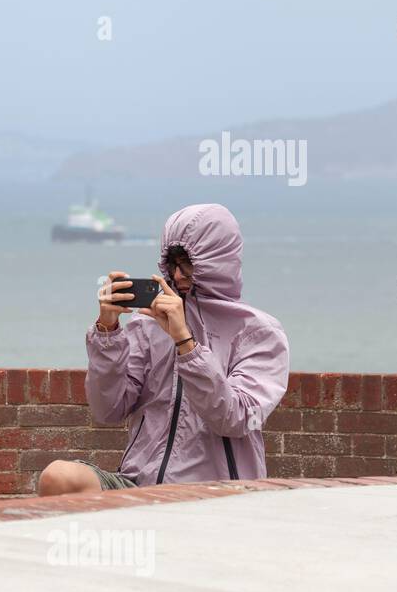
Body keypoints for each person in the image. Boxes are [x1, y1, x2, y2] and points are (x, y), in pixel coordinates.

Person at [39, 203, 290, 494]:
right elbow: (107, 410)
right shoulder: (147, 325)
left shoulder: (259, 332)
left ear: (219, 261)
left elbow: (235, 418)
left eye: (189, 264)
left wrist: (185, 342)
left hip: (218, 493)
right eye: (172, 264)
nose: (179, 275)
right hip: (140, 485)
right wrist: (107, 332)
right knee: (57, 477)